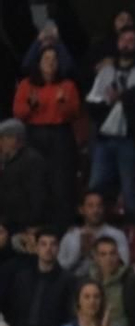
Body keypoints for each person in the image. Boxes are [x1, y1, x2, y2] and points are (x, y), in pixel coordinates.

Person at [85, 27, 135, 220]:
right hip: (106, 138)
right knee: (96, 185)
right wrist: (107, 103)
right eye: (123, 39)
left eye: (131, 40)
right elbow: (92, 101)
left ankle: (133, 233)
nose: (127, 44)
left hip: (131, 139)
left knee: (130, 190)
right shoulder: (107, 71)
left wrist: (126, 98)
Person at [13, 45, 79, 230]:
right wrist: (31, 105)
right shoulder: (27, 84)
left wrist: (62, 103)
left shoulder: (67, 85)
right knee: (36, 181)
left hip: (60, 135)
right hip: (34, 134)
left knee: (61, 183)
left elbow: (73, 113)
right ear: (39, 63)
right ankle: (35, 227)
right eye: (46, 59)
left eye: (54, 59)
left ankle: (61, 228)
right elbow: (18, 113)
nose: (50, 62)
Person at [0, 230, 71, 326]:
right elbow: (13, 308)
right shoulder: (22, 277)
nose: (48, 249)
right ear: (37, 248)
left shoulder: (67, 280)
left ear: (58, 248)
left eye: (53, 244)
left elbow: (67, 314)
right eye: (43, 244)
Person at [0, 121, 47, 234]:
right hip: (8, 222)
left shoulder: (31, 160)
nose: (0, 143)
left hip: (24, 226)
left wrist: (33, 223)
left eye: (2, 139)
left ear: (14, 139)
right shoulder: (7, 162)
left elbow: (37, 195)